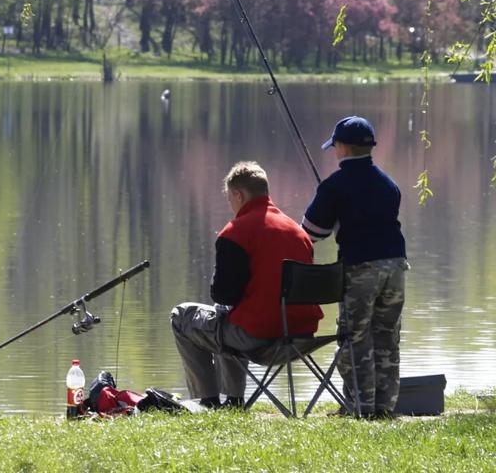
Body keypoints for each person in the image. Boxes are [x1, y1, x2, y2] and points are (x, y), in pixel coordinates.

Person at [170, 161, 322, 408]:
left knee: (183, 316)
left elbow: (223, 293)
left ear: (239, 195)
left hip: (259, 338)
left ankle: (206, 401)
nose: (231, 205)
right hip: (301, 335)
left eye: (230, 198)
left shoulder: (235, 232)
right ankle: (233, 400)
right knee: (227, 318)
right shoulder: (299, 233)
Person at [302, 115, 408, 419]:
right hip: (397, 267)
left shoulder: (335, 185)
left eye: (335, 146)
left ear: (343, 147)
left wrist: (330, 210)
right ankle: (384, 408)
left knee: (354, 339)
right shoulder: (390, 185)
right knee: (387, 337)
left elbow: (312, 232)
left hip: (361, 268)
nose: (334, 151)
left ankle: (359, 408)